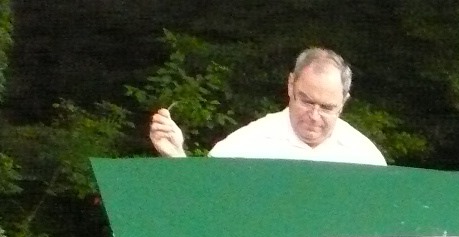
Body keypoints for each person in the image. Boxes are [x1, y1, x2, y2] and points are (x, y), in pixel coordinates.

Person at [148, 47, 385, 165]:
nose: (314, 115)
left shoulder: (365, 157)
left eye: (326, 108)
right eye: (306, 101)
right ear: (291, 86)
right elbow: (205, 200)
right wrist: (177, 158)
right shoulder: (245, 146)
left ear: (343, 102)